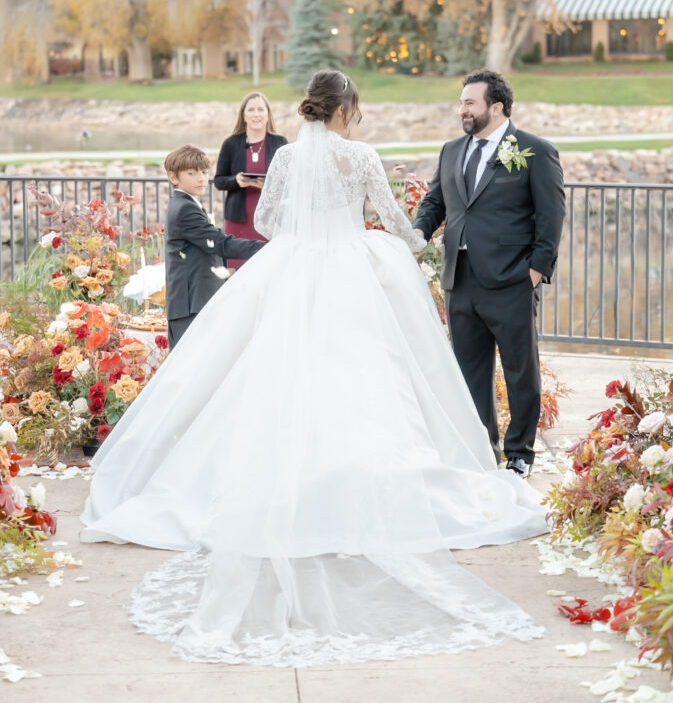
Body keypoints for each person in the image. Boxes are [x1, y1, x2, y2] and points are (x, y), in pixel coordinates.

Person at [80, 70, 548, 667]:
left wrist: (311, 234)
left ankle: (295, 482)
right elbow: (398, 223)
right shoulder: (361, 156)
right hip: (353, 272)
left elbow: (271, 223)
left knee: (285, 379)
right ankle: (353, 485)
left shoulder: (285, 160)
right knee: (365, 381)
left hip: (297, 271)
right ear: (345, 107)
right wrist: (411, 243)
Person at [414, 70, 566, 479]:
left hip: (512, 281)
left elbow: (551, 219)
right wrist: (417, 230)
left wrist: (535, 271)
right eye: (461, 102)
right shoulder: (450, 151)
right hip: (459, 281)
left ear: (495, 107)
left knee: (521, 371)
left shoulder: (535, 150)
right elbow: (435, 202)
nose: (461, 109)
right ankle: (483, 451)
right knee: (469, 373)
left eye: (469, 102)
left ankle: (520, 453)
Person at [164, 144, 264, 349]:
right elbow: (219, 243)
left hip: (195, 298)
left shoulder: (186, 203)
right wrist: (265, 248)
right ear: (174, 177)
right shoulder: (184, 208)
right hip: (190, 303)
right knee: (189, 365)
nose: (201, 178)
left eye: (204, 172)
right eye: (192, 173)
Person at [213, 92, 287, 269]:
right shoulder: (230, 144)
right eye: (251, 110)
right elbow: (219, 181)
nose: (256, 114)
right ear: (244, 115)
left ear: (268, 114)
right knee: (238, 272)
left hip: (269, 220)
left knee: (269, 268)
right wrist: (236, 180)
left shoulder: (280, 143)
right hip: (238, 220)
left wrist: (269, 186)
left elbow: (291, 180)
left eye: (260, 109)